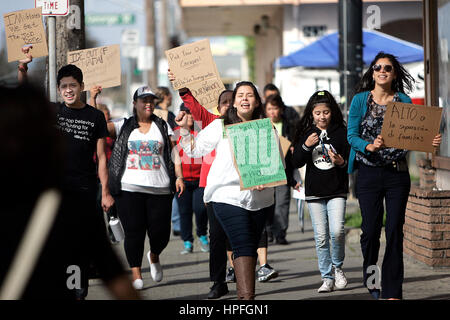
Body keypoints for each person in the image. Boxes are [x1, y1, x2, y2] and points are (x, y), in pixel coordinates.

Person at [8, 52, 138, 299]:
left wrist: (106, 192)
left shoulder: (95, 116)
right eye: (64, 86)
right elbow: (24, 102)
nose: (68, 90)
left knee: (83, 244)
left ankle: (79, 290)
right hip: (53, 189)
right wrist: (23, 69)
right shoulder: (53, 111)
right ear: (58, 90)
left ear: (81, 87)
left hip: (85, 190)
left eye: (72, 86)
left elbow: (101, 157)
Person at [348, 51, 442, 300]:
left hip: (396, 175)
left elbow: (416, 135)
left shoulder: (403, 101)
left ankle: (392, 291)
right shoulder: (359, 100)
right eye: (378, 67)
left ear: (394, 73)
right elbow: (351, 136)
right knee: (369, 232)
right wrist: (368, 146)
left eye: (387, 68)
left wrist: (430, 140)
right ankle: (372, 282)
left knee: (394, 231)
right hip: (368, 173)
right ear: (372, 71)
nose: (382, 71)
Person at [175, 81, 276, 300]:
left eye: (250, 95)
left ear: (257, 101)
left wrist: (266, 179)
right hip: (225, 195)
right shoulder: (220, 125)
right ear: (235, 102)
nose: (245, 99)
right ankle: (247, 299)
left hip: (259, 199)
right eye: (241, 95)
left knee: (249, 244)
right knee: (242, 243)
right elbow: (194, 149)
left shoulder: (266, 127)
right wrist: (184, 129)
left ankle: (245, 297)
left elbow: (276, 164)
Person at [107, 85, 185, 290]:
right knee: (134, 233)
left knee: (160, 234)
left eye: (151, 100)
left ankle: (154, 254)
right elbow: (97, 126)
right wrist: (94, 98)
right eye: (144, 100)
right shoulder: (123, 124)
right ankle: (135, 274)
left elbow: (174, 150)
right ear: (135, 104)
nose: (148, 103)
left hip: (159, 189)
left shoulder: (162, 125)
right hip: (129, 189)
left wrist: (179, 176)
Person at [171, 72, 233, 299]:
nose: (228, 106)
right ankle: (218, 282)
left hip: (243, 190)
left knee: (241, 238)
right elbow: (195, 108)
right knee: (217, 236)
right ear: (217, 108)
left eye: (231, 101)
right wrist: (184, 88)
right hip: (215, 189)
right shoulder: (212, 123)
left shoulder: (252, 124)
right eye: (223, 103)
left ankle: (242, 276)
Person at [292, 90, 350, 293]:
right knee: (321, 236)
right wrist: (306, 146)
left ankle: (338, 267)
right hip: (315, 192)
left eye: (326, 112)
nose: (322, 116)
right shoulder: (306, 132)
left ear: (332, 112)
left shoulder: (341, 132)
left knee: (337, 232)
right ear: (311, 113)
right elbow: (296, 160)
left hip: (337, 189)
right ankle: (326, 277)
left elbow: (350, 161)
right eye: (318, 113)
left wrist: (341, 161)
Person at [174, 104, 210, 254]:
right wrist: (178, 177)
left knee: (200, 209)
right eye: (185, 113)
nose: (189, 116)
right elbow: (175, 157)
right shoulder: (176, 133)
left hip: (200, 180)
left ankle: (202, 234)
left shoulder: (202, 132)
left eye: (191, 113)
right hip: (183, 180)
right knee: (184, 211)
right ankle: (187, 241)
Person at [264, 94, 296, 245]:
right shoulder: (261, 125)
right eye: (269, 109)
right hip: (266, 171)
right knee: (268, 203)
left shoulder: (289, 125)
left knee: (282, 202)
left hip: (284, 170)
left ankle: (281, 232)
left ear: (281, 110)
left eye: (275, 108)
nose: (272, 112)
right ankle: (268, 230)